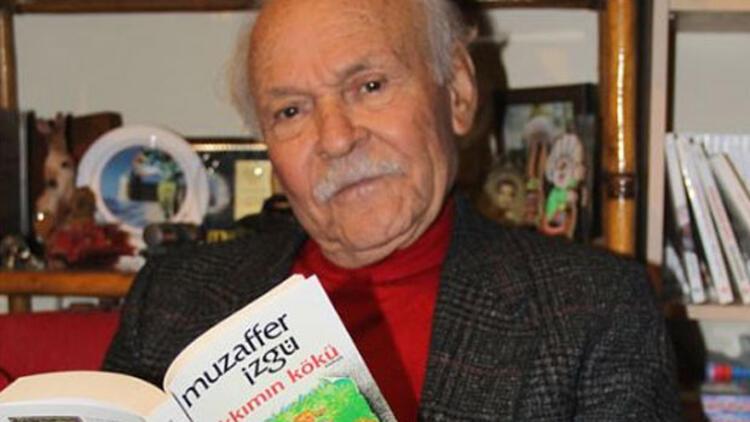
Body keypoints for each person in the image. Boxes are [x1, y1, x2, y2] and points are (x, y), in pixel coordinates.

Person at [103, 0, 682, 420]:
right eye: (291, 111)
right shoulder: (172, 302)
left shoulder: (594, 311)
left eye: (370, 86)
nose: (335, 139)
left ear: (457, 93)